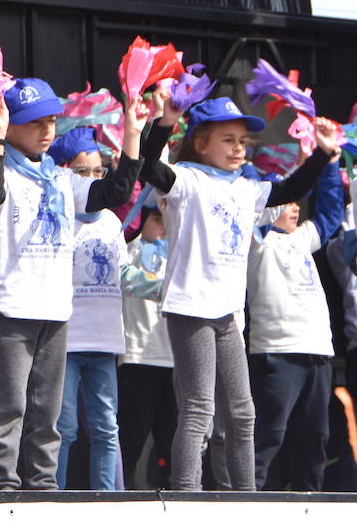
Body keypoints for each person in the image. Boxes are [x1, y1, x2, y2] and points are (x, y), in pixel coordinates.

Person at [140, 94, 339, 491]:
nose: (238, 148)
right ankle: (187, 494)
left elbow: (289, 188)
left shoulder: (246, 186)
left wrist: (322, 154)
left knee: (243, 413)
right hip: (191, 309)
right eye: (228, 140)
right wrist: (165, 123)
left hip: (228, 313)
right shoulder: (187, 180)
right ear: (201, 143)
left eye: (242, 142)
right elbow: (151, 166)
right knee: (199, 410)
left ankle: (246, 499)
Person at [0, 79, 144, 490]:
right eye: (35, 122)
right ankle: (2, 486)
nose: (46, 130)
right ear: (10, 125)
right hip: (12, 305)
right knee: (9, 405)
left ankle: (44, 487)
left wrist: (135, 135)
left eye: (51, 121)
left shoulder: (64, 178)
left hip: (55, 308)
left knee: (47, 409)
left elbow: (116, 190)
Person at [246, 153, 343, 490]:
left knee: (315, 438)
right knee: (267, 436)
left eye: (296, 203)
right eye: (288, 204)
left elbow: (330, 214)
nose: (295, 208)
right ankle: (247, 503)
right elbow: (257, 203)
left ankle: (310, 507)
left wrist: (329, 163)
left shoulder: (300, 239)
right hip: (277, 352)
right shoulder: (255, 242)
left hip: (317, 352)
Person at [47, 127, 125, 491]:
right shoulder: (59, 220)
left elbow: (122, 276)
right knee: (63, 428)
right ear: (63, 174)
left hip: (106, 341)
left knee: (107, 428)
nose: (93, 180)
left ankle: (106, 501)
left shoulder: (112, 221)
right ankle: (55, 500)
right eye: (82, 172)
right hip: (68, 342)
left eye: (99, 171)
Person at [117, 201, 175, 488]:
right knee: (131, 440)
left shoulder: (179, 249)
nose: (163, 224)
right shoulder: (131, 247)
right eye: (156, 217)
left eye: (167, 217)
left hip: (177, 359)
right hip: (139, 357)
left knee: (173, 444)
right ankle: (119, 500)